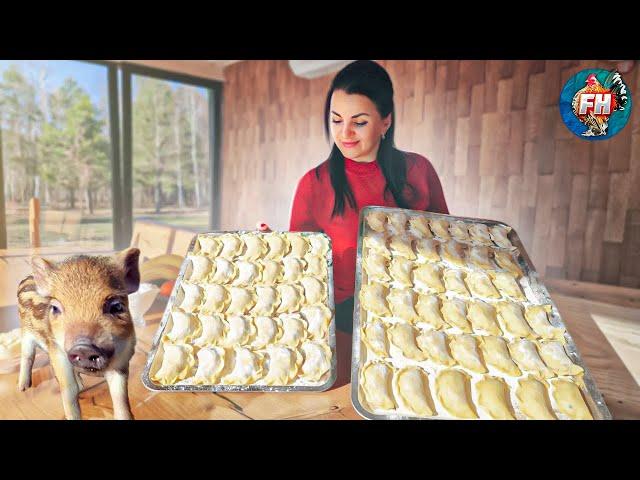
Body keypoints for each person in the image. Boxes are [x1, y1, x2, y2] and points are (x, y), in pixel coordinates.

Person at [260, 60, 449, 335]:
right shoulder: (313, 184)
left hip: (414, 318)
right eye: (336, 120)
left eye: (359, 122)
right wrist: (271, 248)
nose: (344, 133)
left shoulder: (419, 170)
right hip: (343, 324)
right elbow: (301, 266)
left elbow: (446, 241)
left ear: (386, 121)